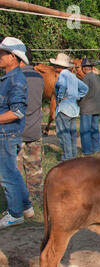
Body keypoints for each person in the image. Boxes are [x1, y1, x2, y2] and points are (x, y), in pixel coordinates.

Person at [0, 37, 34, 228]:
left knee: (6, 175)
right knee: (13, 172)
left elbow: (17, 111)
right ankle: (26, 207)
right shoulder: (9, 78)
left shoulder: (15, 79)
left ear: (13, 57)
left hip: (6, 133)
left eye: (2, 54)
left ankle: (15, 214)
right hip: (7, 133)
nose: (0, 57)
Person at [18, 47, 44, 202]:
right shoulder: (39, 77)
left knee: (14, 170)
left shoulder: (15, 77)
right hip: (34, 130)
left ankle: (18, 201)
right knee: (35, 168)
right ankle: (35, 199)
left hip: (18, 131)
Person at [50, 53, 88, 161]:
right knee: (71, 134)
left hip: (63, 109)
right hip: (73, 110)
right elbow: (85, 89)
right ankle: (73, 156)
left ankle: (67, 157)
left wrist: (60, 97)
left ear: (59, 67)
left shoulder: (62, 75)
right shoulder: (73, 76)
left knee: (63, 134)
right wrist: (76, 96)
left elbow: (61, 85)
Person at [78, 58, 100, 156]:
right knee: (95, 129)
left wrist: (77, 101)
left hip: (87, 108)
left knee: (85, 130)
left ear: (84, 68)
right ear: (91, 67)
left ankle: (87, 150)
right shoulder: (97, 77)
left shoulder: (86, 78)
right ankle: (96, 148)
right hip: (96, 107)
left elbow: (82, 93)